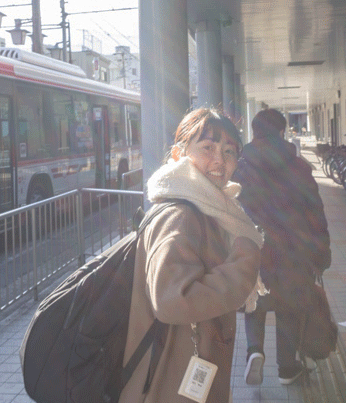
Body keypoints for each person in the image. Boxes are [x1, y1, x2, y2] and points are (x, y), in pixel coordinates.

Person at [119, 107, 265, 403]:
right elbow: (173, 300)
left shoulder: (208, 208)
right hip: (171, 379)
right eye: (208, 147)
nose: (219, 160)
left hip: (181, 366)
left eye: (229, 151)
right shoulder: (179, 215)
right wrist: (246, 261)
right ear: (178, 154)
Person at [232, 108, 331, 386]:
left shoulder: (241, 168)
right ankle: (287, 368)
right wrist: (321, 252)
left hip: (256, 248)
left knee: (254, 301)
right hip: (294, 250)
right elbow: (315, 212)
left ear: (254, 132)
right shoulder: (298, 167)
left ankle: (255, 351)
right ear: (281, 132)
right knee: (290, 307)